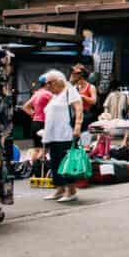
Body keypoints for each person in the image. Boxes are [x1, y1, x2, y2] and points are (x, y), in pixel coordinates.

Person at [41, 69, 84, 203]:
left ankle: (71, 191)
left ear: (58, 81)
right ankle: (59, 189)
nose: (47, 87)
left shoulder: (69, 91)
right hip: (54, 135)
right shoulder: (55, 96)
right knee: (55, 163)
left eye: (49, 83)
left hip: (66, 134)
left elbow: (79, 108)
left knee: (66, 162)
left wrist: (77, 126)